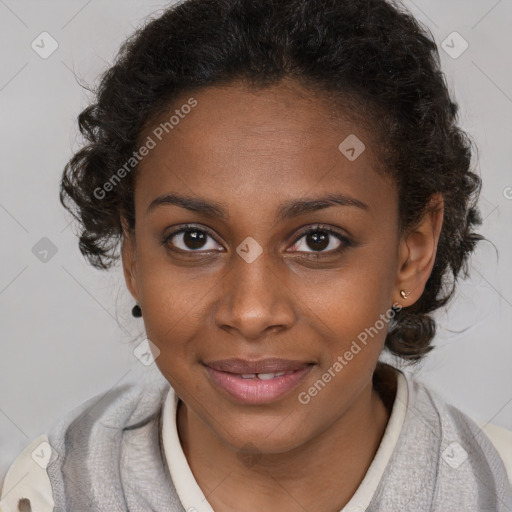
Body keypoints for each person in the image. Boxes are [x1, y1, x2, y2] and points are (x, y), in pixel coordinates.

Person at [1, 0, 511, 510]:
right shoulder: (53, 491)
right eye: (193, 239)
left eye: (318, 240)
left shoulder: (495, 485)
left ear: (411, 254)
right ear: (133, 256)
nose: (249, 313)